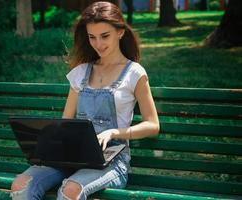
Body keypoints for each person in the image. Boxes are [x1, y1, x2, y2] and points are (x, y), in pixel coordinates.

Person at [10, 1, 159, 200]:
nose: (98, 44)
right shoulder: (80, 73)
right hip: (73, 156)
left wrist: (115, 132)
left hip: (112, 161)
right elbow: (65, 123)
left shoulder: (135, 73)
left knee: (70, 190)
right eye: (92, 37)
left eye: (105, 36)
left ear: (120, 32)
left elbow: (153, 125)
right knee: (21, 184)